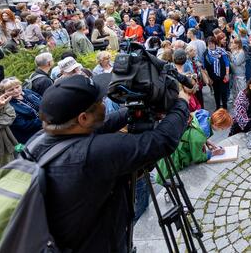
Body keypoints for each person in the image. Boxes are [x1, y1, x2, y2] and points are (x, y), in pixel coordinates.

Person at [25, 74, 190, 252]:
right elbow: (162, 141)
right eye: (100, 102)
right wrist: (181, 104)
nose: (104, 104)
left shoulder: (41, 139)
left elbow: (103, 123)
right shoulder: (92, 154)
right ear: (83, 118)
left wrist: (142, 108)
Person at [156, 108, 233, 174]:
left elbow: (196, 129)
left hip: (173, 143)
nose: (222, 131)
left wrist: (207, 142)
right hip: (176, 156)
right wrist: (213, 153)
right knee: (167, 176)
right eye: (222, 128)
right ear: (217, 124)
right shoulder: (199, 137)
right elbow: (197, 158)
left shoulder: (204, 115)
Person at [0, 77, 42, 144]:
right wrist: (43, 120)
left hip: (44, 124)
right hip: (32, 135)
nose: (16, 91)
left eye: (17, 87)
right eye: (11, 90)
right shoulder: (8, 106)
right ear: (3, 93)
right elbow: (23, 125)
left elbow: (42, 100)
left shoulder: (27, 92)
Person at [204, 37, 230, 109]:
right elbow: (205, 67)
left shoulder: (221, 51)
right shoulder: (206, 53)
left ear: (215, 43)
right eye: (209, 44)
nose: (211, 45)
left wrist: (227, 74)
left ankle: (225, 107)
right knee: (216, 93)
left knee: (224, 92)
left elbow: (227, 63)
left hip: (223, 75)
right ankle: (218, 107)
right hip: (213, 77)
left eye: (212, 43)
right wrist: (209, 78)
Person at [229, 39, 247, 107]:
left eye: (233, 43)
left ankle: (243, 104)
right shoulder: (234, 51)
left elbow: (237, 62)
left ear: (237, 44)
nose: (232, 44)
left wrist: (231, 55)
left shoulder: (241, 52)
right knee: (234, 89)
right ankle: (236, 103)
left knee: (241, 90)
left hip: (240, 75)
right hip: (234, 74)